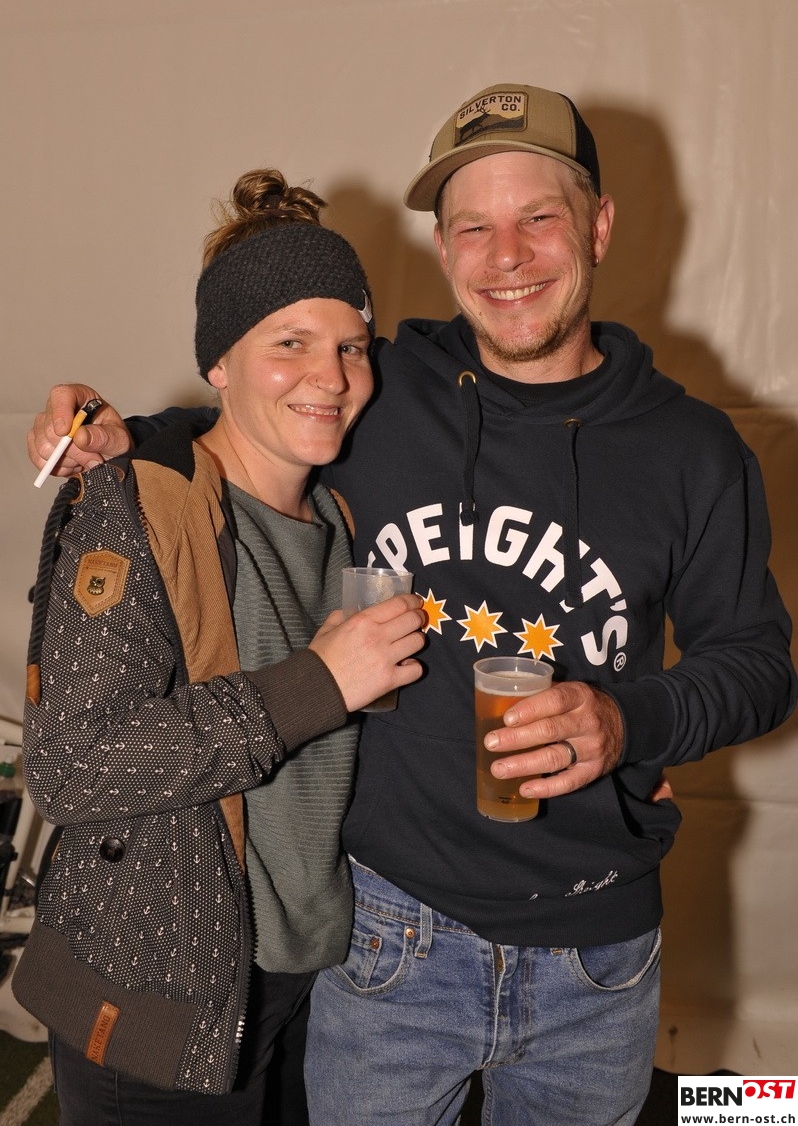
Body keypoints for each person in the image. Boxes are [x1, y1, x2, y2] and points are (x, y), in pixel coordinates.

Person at [28, 85, 796, 1126]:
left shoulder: (696, 451)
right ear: (441, 247)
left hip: (596, 950)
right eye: (473, 227)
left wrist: (630, 720)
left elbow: (757, 663)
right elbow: (253, 403)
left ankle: (756, 1103)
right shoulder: (385, 391)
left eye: (540, 217)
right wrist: (124, 440)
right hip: (389, 940)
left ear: (600, 226)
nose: (507, 257)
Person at [16, 167, 425, 1126]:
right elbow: (72, 767)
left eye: (351, 346)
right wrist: (316, 683)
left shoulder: (345, 517)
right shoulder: (133, 508)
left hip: (311, 989)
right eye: (289, 343)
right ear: (220, 364)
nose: (332, 376)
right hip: (161, 1005)